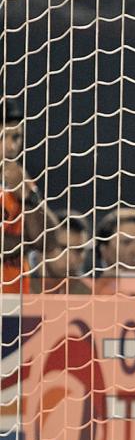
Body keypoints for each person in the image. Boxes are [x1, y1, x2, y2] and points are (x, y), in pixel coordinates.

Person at [2, 98, 48, 294]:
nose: (12, 147)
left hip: (17, 300)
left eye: (17, 137)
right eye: (4, 136)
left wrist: (29, 196)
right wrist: (26, 242)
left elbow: (48, 240)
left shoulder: (22, 181)